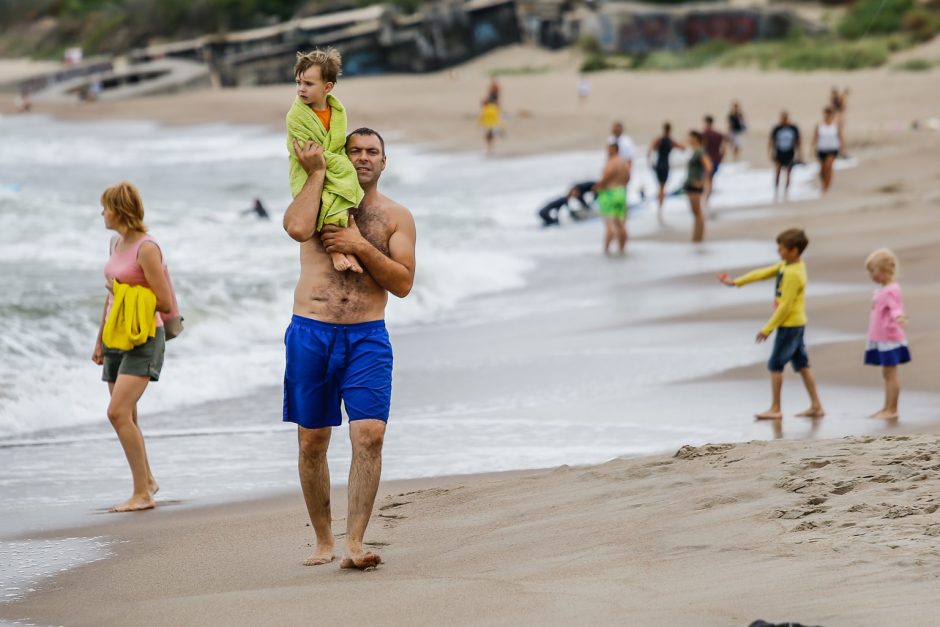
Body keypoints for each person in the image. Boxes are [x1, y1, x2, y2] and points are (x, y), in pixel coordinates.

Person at [282, 128, 416, 570]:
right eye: (354, 150)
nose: (362, 158)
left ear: (384, 161)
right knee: (312, 441)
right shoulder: (316, 200)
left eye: (372, 152)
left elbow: (402, 284)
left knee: (370, 435)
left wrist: (359, 245)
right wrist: (317, 171)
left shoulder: (396, 216)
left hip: (367, 337)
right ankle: (323, 541)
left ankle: (355, 543)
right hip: (311, 332)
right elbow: (295, 228)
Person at [92, 182, 172, 512]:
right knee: (129, 415)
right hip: (115, 336)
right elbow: (110, 297)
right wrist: (99, 339)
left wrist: (125, 290)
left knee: (117, 412)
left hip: (143, 338)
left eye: (106, 207)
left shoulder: (147, 248)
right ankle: (147, 481)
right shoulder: (116, 242)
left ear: (120, 210)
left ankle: (142, 494)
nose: (102, 213)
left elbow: (164, 301)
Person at [718, 228, 825, 421]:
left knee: (775, 364)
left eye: (782, 249)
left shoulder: (794, 274)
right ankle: (816, 405)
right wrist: (737, 282)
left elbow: (785, 306)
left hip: (789, 324)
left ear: (794, 250)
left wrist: (767, 328)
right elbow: (763, 273)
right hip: (796, 323)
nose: (778, 252)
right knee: (802, 364)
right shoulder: (788, 265)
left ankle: (775, 408)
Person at [287, 48, 365, 274]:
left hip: (329, 159)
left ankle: (349, 249)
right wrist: (341, 165)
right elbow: (306, 150)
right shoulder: (296, 115)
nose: (301, 89)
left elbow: (337, 141)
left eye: (308, 84)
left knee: (342, 202)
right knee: (325, 201)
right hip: (306, 168)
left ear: (327, 87)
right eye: (298, 82)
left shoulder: (337, 111)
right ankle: (335, 251)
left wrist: (338, 160)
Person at [863, 249, 911, 420]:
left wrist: (899, 317)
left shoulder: (891, 289)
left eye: (872, 271)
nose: (870, 275)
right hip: (882, 338)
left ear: (884, 270)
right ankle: (886, 407)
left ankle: (892, 409)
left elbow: (895, 307)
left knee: (891, 374)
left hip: (890, 339)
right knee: (887, 373)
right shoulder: (883, 289)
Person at [594, 142, 630, 255]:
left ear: (614, 149)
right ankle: (622, 249)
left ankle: (606, 251)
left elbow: (607, 176)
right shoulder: (624, 162)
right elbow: (628, 177)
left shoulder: (611, 162)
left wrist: (597, 187)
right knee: (621, 224)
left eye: (609, 149)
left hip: (609, 193)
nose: (607, 152)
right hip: (621, 192)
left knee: (609, 224)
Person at [647, 122, 686, 224]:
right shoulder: (670, 141)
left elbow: (650, 150)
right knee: (662, 188)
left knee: (660, 187)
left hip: (658, 164)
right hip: (665, 165)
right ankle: (660, 209)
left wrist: (650, 163)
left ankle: (659, 209)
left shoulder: (659, 140)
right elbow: (683, 148)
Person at [684, 130, 712, 243]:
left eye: (690, 137)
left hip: (695, 185)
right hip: (691, 184)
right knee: (695, 213)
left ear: (696, 138)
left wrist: (702, 182)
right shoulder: (695, 151)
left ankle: (698, 238)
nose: (688, 139)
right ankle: (696, 237)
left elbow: (708, 167)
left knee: (698, 212)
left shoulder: (700, 151)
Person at [769, 111, 801, 202]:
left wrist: (799, 153)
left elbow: (798, 141)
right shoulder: (777, 128)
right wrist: (770, 151)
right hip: (779, 152)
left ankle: (786, 191)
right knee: (778, 172)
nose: (784, 119)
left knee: (788, 173)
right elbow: (771, 140)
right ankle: (776, 190)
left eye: (785, 117)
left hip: (790, 153)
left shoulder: (793, 128)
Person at [813, 107, 844, 193]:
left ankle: (827, 186)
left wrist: (842, 147)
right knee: (822, 170)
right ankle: (824, 183)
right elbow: (815, 137)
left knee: (829, 167)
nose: (827, 116)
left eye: (829, 114)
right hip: (821, 149)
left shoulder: (835, 125)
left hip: (832, 148)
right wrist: (813, 148)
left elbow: (840, 136)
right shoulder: (819, 125)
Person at [701, 115, 726, 205]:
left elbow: (702, 148)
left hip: (707, 160)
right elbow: (723, 148)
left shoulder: (704, 134)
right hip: (716, 159)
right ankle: (707, 200)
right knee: (711, 180)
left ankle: (704, 199)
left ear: (706, 122)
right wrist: (721, 158)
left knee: (706, 179)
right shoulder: (719, 134)